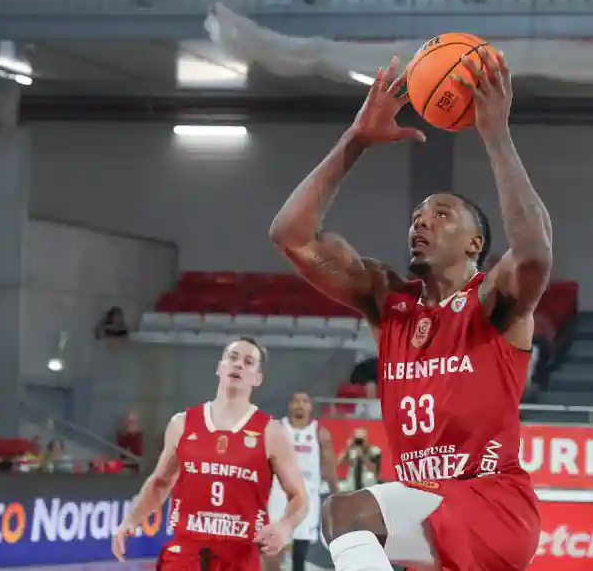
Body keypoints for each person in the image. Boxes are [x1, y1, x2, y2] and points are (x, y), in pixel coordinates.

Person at [270, 51, 552, 571]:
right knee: (353, 523)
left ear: (475, 242)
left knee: (344, 514)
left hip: (491, 502)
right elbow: (291, 235)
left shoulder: (495, 303)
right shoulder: (387, 302)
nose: (419, 224)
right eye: (417, 216)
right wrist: (355, 141)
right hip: (424, 506)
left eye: (440, 215)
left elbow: (535, 251)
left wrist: (495, 135)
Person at [111, 338, 309, 571]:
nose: (238, 365)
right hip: (186, 553)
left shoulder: (270, 432)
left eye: (248, 362)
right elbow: (160, 483)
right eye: (232, 358)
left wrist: (285, 526)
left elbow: (300, 498)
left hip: (239, 554)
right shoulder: (182, 423)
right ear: (220, 367)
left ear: (257, 378)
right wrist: (131, 520)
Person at [264, 391, 339, 571]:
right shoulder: (277, 429)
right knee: (274, 545)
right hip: (279, 492)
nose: (300, 404)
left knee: (300, 546)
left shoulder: (320, 432)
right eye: (296, 401)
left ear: (310, 406)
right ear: (289, 405)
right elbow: (263, 460)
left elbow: (330, 464)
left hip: (307, 493)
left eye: (304, 401)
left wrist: (335, 492)